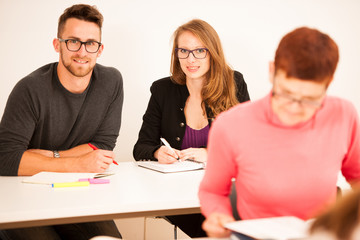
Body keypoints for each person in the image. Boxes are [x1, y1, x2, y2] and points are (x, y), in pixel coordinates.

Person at [198, 26, 360, 238]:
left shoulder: (343, 114)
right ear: (272, 71)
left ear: (327, 85)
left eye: (310, 100)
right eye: (286, 93)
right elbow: (213, 191)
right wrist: (218, 216)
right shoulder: (231, 124)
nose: (294, 108)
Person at [0, 4, 123, 240]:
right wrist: (78, 163)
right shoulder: (29, 89)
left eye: (91, 44)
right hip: (24, 195)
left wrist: (45, 157)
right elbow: (6, 158)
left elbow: (103, 147)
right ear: (58, 44)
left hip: (80, 193)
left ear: (100, 49)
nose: (82, 51)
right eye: (73, 41)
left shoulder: (111, 82)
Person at [133, 19, 250, 237]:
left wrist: (209, 153)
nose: (191, 59)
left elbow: (250, 146)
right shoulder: (162, 90)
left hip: (225, 191)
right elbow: (141, 147)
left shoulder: (234, 82)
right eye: (184, 51)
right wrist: (158, 152)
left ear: (212, 52)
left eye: (199, 51)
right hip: (178, 195)